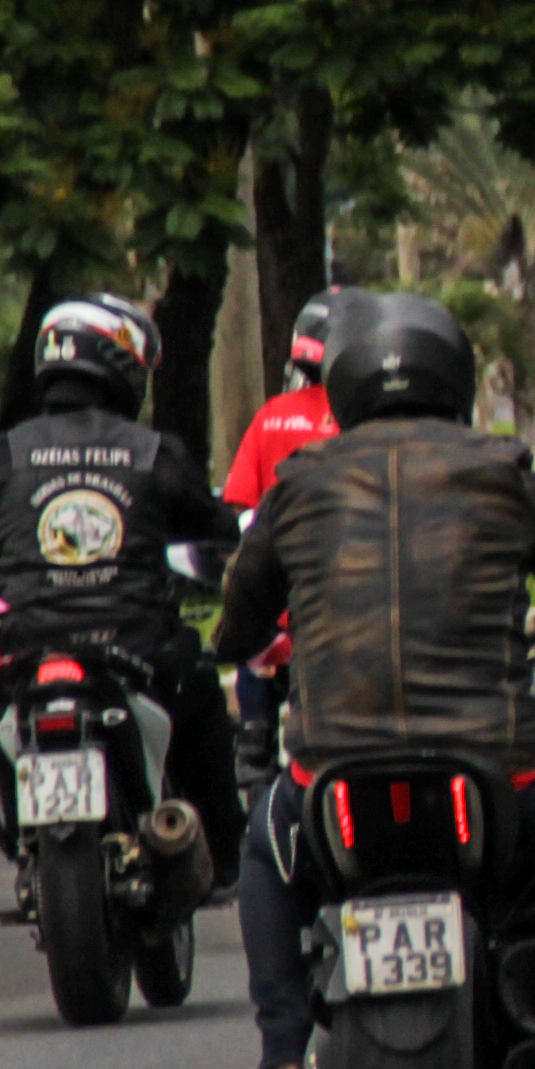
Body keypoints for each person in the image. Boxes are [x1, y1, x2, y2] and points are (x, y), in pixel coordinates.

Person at [214, 293, 535, 1069]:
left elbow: (238, 620)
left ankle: (278, 1060)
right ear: (455, 375)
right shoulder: (501, 469)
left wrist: (241, 639)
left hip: (330, 771)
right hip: (494, 766)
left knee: (264, 853)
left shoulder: (301, 482)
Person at [0, 294, 246, 894]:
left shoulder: (0, 455)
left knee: (0, 707)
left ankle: (20, 833)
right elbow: (212, 526)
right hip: (133, 647)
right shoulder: (154, 453)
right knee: (199, 686)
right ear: (124, 365)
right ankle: (222, 855)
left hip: (30, 651)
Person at [219, 288, 369, 793]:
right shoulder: (361, 421)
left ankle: (253, 738)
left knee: (251, 638)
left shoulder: (271, 416)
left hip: (277, 595)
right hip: (347, 600)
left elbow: (241, 504)